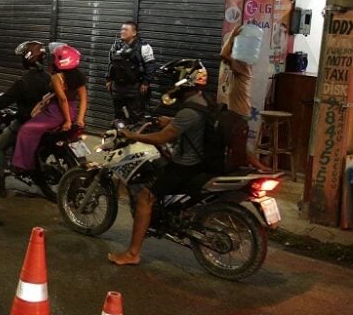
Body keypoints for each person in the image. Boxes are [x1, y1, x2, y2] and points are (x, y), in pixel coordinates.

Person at [108, 59, 210, 266]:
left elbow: (161, 138)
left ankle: (132, 253)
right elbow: (186, 125)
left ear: (185, 80)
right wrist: (169, 121)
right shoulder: (204, 101)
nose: (171, 83)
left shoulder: (188, 111)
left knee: (146, 196)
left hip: (185, 166)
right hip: (200, 161)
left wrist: (133, 135)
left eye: (175, 78)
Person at [11, 43, 87, 172]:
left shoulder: (57, 78)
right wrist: (80, 119)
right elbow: (84, 99)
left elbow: (62, 100)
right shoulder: (79, 77)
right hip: (73, 112)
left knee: (26, 130)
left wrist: (67, 121)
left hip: (55, 114)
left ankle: (23, 166)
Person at [0, 41, 52, 193]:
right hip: (47, 121)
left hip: (26, 121)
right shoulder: (49, 77)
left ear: (27, 58)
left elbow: (4, 101)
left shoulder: (23, 82)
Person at [219, 25, 270, 171]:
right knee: (238, 145)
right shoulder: (242, 65)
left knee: (239, 146)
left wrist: (232, 36)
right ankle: (260, 168)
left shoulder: (242, 65)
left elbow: (223, 54)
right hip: (236, 112)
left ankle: (261, 168)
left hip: (239, 113)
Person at [106, 21, 155, 121]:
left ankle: (134, 136)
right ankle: (119, 134)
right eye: (122, 29)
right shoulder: (116, 46)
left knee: (135, 116)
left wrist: (146, 82)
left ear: (134, 33)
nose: (122, 32)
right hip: (117, 87)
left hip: (135, 88)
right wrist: (108, 79)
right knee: (119, 115)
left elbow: (150, 65)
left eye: (126, 30)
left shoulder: (144, 47)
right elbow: (111, 64)